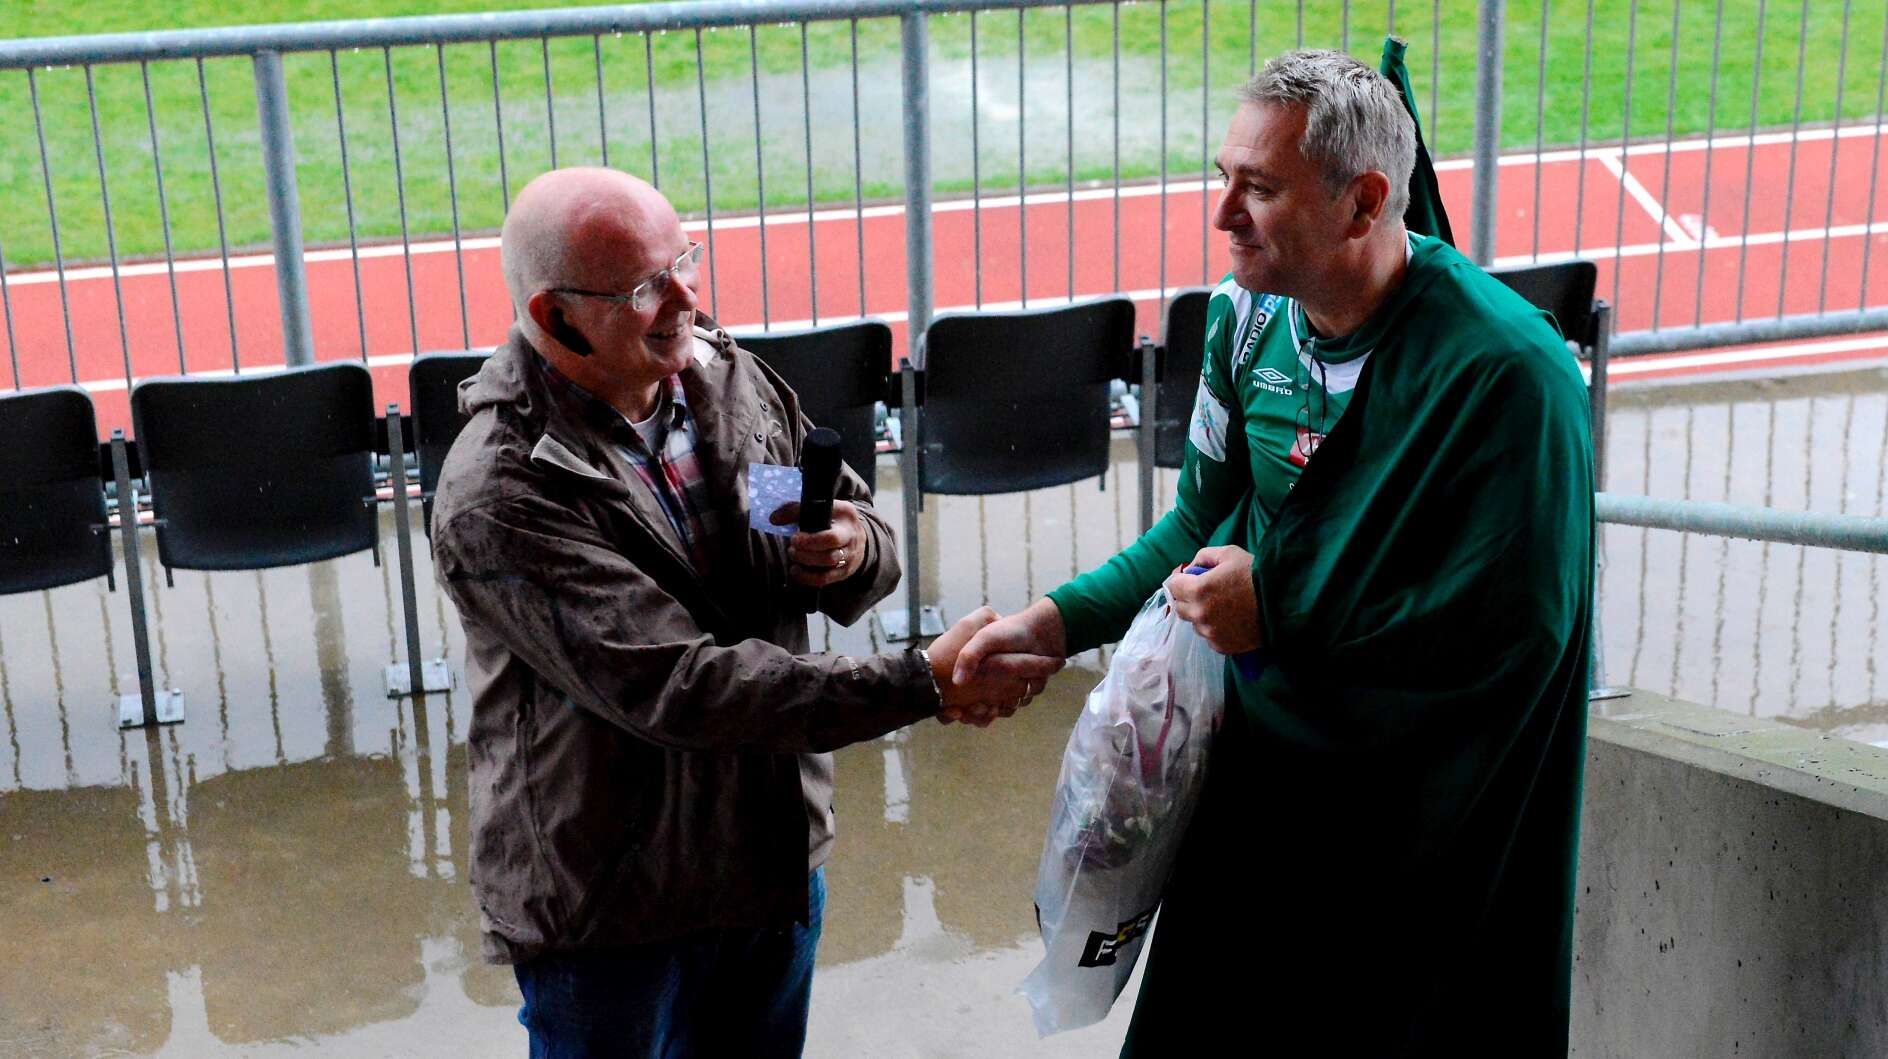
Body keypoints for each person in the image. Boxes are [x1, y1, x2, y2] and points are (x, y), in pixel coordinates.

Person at [954, 50, 1595, 1054]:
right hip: (1258, 798)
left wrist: (1283, 606)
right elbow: (1196, 529)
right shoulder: (1245, 321)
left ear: (1363, 202)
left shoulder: (1509, 374)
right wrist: (1053, 623)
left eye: (1258, 188)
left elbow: (1516, 633)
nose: (1223, 216)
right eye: (1224, 179)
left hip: (1420, 840)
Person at [428, 166, 1061, 1058]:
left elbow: (832, 524)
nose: (686, 298)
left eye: (684, 260)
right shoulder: (502, 489)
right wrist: (921, 681)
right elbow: (683, 686)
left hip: (768, 865)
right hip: (615, 908)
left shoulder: (723, 381)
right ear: (553, 316)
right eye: (644, 287)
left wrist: (847, 548)